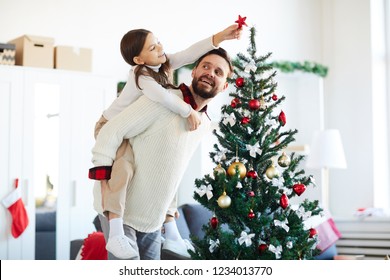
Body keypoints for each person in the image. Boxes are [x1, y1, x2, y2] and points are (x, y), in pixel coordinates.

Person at [90, 25, 242, 259]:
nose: (211, 73)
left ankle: (171, 233)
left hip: (152, 221)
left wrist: (167, 215)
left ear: (225, 86)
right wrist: (100, 175)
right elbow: (110, 132)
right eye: (206, 66)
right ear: (193, 72)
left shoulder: (203, 123)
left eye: (219, 72)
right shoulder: (162, 98)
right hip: (123, 215)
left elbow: (171, 167)